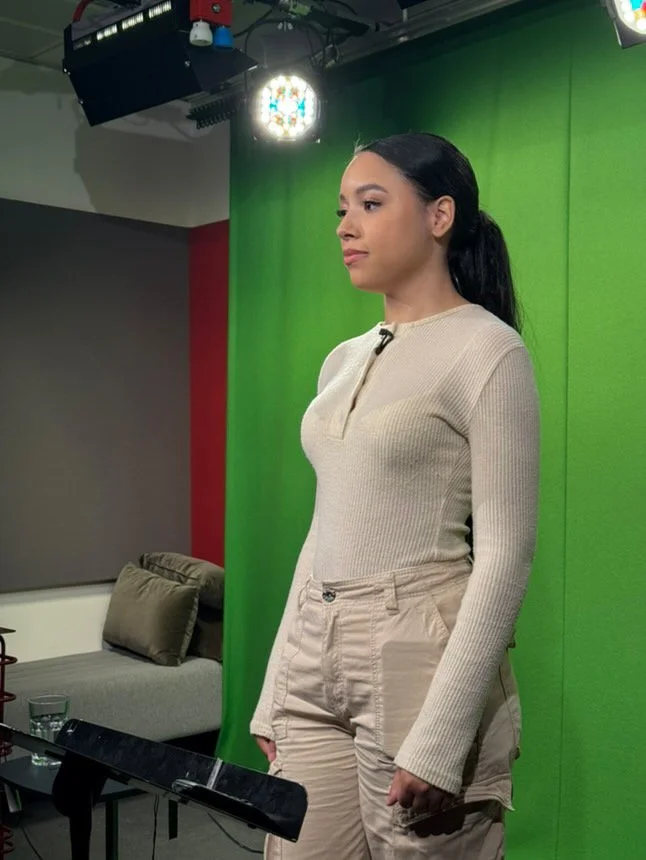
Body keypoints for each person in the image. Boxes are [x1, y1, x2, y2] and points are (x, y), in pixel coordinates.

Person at [250, 132, 540, 859]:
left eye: (371, 204)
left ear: (440, 216)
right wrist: (276, 684)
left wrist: (442, 736)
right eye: (342, 209)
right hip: (314, 650)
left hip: (417, 648)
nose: (346, 227)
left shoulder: (488, 350)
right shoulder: (341, 360)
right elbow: (324, 527)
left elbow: (505, 555)